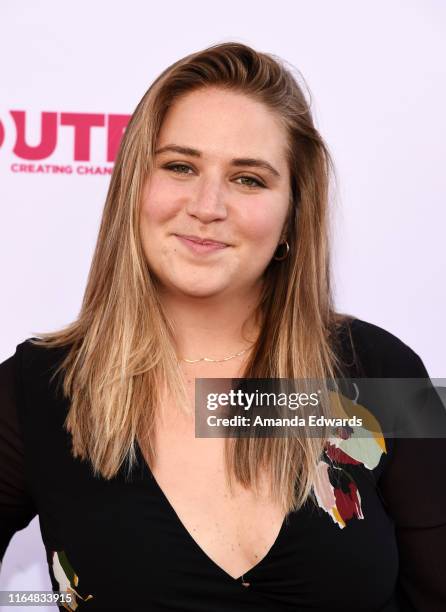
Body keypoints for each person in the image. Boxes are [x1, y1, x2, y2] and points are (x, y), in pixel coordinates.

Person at [1, 41, 445, 612]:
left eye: (249, 179)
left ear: (292, 213)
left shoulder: (384, 371)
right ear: (133, 188)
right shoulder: (38, 387)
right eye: (180, 166)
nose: (207, 205)